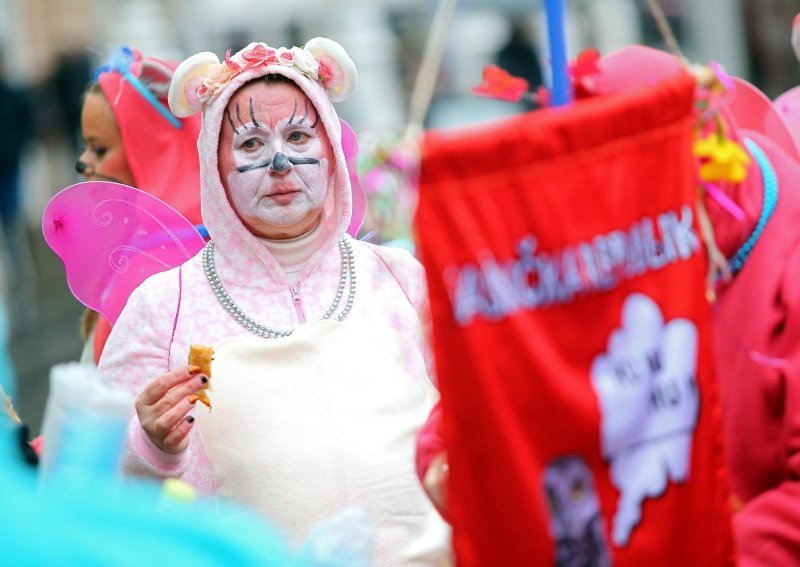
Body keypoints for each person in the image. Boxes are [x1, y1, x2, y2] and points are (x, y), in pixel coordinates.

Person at [97, 38, 449, 564]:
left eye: (300, 135)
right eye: (252, 145)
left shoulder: (401, 278)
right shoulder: (161, 309)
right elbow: (88, 487)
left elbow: (478, 425)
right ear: (213, 164)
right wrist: (148, 446)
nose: (281, 162)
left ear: (331, 148)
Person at [75, 47, 203, 365]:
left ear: (154, 153)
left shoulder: (171, 260)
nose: (83, 162)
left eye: (100, 149)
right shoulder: (136, 244)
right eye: (86, 146)